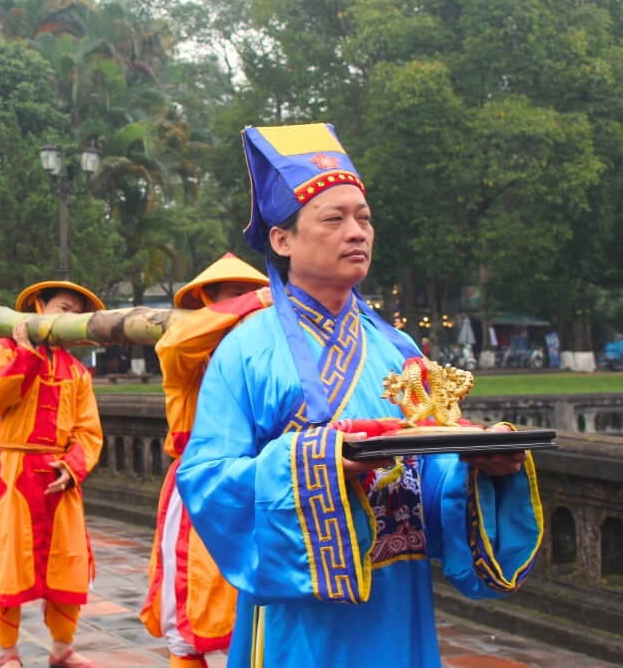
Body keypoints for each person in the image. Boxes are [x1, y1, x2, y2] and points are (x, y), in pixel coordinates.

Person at [176, 123, 544, 668]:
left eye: (364, 218)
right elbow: (205, 478)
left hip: (397, 595)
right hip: (300, 613)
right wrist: (315, 466)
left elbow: (430, 468)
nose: (357, 232)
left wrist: (481, 465)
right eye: (334, 218)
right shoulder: (246, 349)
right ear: (283, 240)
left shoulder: (397, 349)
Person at [139, 255, 271, 668]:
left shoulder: (269, 355)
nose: (248, 303)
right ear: (207, 304)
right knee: (193, 603)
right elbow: (176, 341)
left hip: (262, 485)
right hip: (203, 488)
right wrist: (256, 303)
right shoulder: (189, 363)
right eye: (236, 295)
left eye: (251, 293)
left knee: (259, 605)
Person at [0, 280, 105, 668]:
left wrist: (73, 465)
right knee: (7, 561)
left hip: (57, 478)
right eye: (65, 309)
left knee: (68, 561)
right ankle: (7, 653)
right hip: (9, 474)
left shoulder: (77, 372)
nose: (72, 319)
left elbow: (88, 431)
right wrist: (25, 360)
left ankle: (62, 648)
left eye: (79, 314)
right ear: (38, 306)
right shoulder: (1, 351)